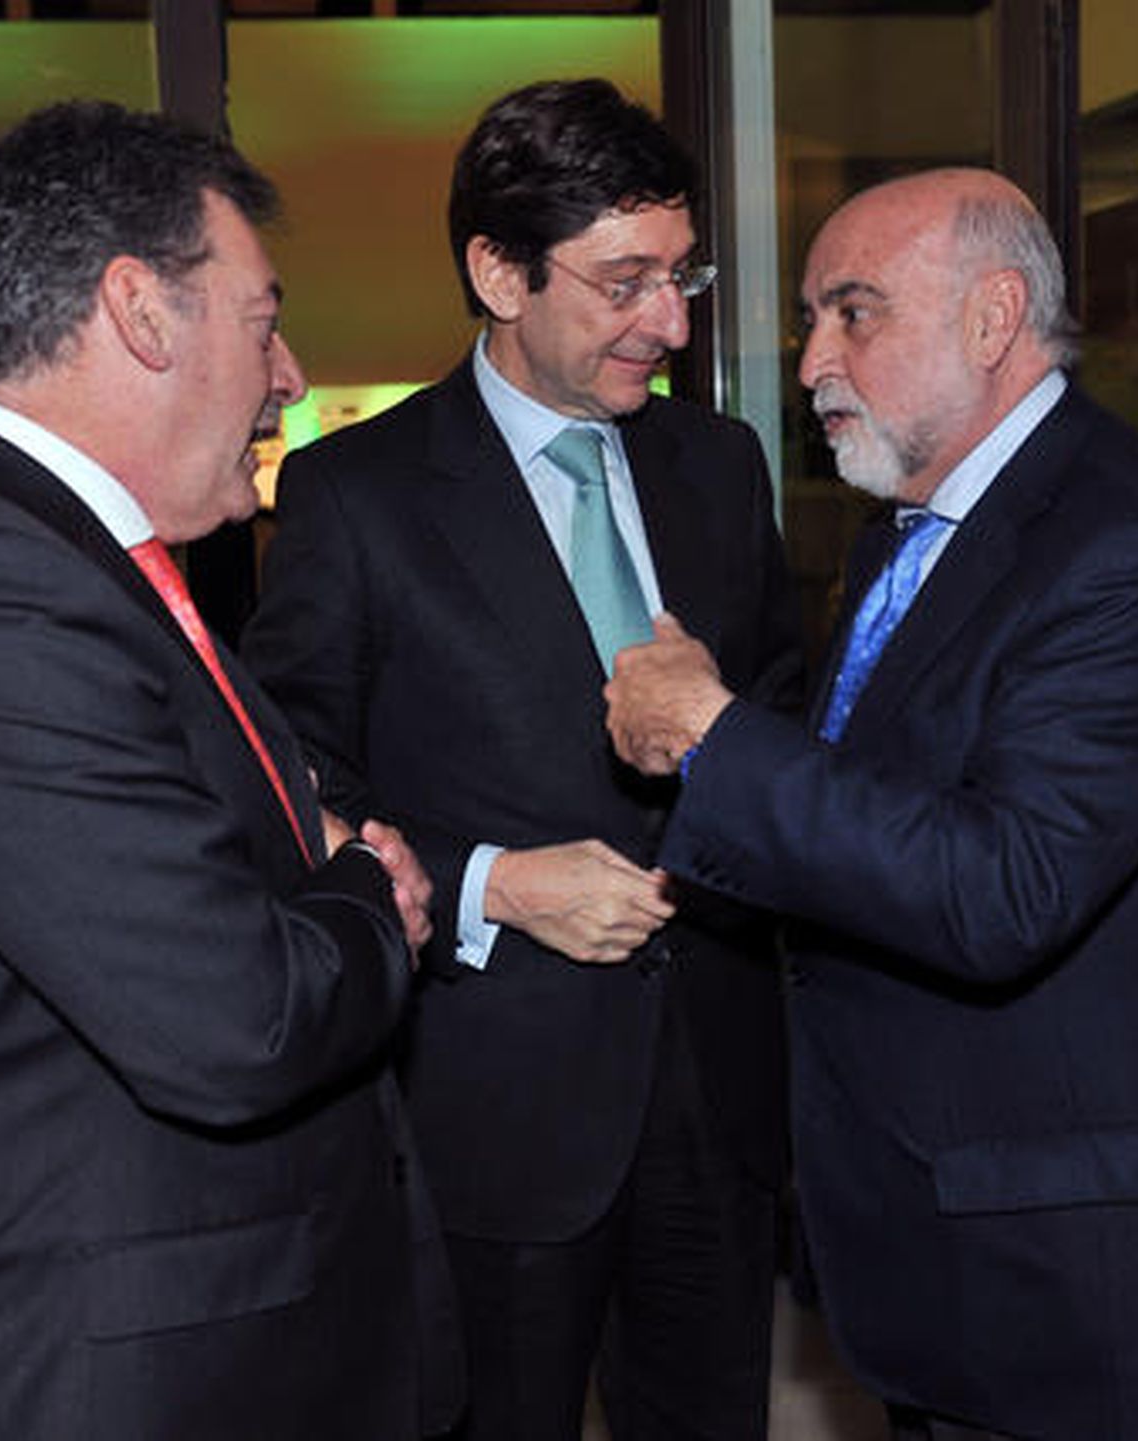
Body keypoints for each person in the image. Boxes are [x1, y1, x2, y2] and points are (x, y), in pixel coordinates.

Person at [604, 166, 1138, 1441]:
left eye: (853, 312)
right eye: (811, 323)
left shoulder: (1135, 552)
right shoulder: (924, 526)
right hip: (963, 1257)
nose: (814, 361)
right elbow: (881, 805)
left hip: (1099, 1296)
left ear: (993, 318)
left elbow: (998, 887)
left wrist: (715, 734)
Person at [0, 100, 460, 1441]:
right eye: (261, 315)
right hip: (121, 1386)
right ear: (142, 311)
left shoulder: (74, 564)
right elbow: (237, 1022)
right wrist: (364, 899)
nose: (288, 370)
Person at [242, 78, 804, 1441]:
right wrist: (488, 884)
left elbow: (784, 707)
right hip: (495, 1113)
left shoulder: (720, 465)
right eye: (625, 283)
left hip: (720, 1091)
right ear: (498, 270)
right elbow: (288, 783)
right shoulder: (354, 494)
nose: (670, 324)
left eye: (682, 276)